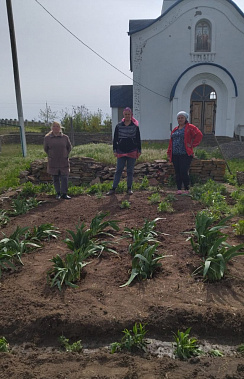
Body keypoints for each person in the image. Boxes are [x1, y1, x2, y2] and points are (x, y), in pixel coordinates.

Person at [107, 107, 141, 195]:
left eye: (128, 114)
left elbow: (138, 139)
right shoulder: (118, 126)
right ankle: (113, 188)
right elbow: (115, 140)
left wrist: (139, 150)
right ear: (123, 115)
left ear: (131, 115)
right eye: (126, 114)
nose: (127, 116)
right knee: (118, 170)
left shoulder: (135, 127)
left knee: (130, 171)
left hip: (132, 151)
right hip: (121, 151)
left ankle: (129, 188)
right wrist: (114, 150)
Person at [167, 111, 203, 194]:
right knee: (177, 172)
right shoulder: (175, 129)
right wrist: (169, 153)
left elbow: (199, 134)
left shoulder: (190, 127)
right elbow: (171, 141)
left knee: (184, 171)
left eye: (182, 118)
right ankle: (179, 189)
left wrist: (192, 145)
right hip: (175, 154)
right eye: (178, 118)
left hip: (185, 153)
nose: (180, 119)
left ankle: (187, 188)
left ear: (185, 118)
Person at [44, 121, 72, 199]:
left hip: (63, 160)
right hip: (53, 161)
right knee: (55, 178)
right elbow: (46, 149)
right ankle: (58, 193)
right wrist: (51, 156)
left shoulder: (65, 137)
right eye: (54, 126)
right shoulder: (47, 138)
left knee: (64, 177)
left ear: (60, 128)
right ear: (52, 128)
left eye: (57, 126)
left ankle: (64, 193)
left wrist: (65, 155)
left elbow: (69, 147)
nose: (55, 128)